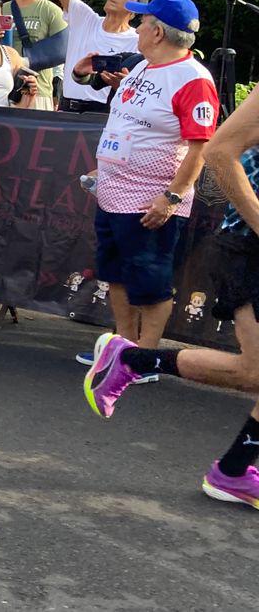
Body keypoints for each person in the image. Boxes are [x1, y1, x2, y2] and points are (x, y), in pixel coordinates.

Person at [83, 90, 259, 508]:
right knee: (254, 370)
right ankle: (133, 360)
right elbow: (219, 152)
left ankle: (234, 471)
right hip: (249, 245)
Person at [73, 0, 217, 386]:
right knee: (116, 272)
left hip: (151, 198)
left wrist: (171, 197)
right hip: (112, 192)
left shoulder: (193, 79)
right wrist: (103, 166)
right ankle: (123, 348)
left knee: (150, 281)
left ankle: (146, 358)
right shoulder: (141, 67)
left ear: (158, 32)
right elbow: (125, 121)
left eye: (142, 22)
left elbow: (201, 146)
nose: (136, 28)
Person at [51, 0, 147, 114]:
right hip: (67, 110)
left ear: (136, 8)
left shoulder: (139, 41)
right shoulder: (86, 19)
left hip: (104, 114)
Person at [3, 0, 66, 110]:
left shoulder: (51, 11)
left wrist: (25, 61)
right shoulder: (1, 9)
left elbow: (63, 49)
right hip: (1, 88)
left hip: (37, 91)